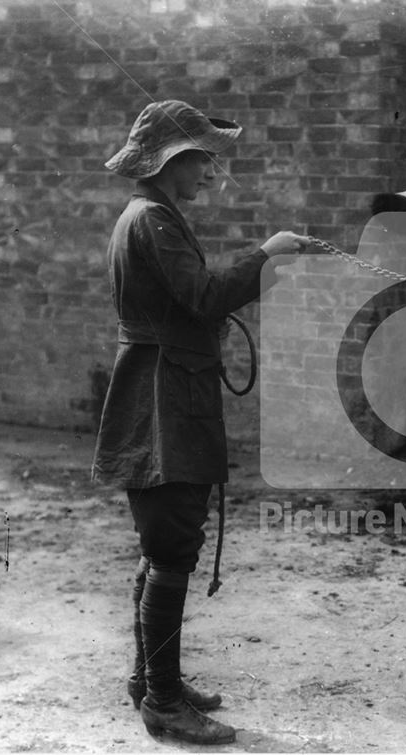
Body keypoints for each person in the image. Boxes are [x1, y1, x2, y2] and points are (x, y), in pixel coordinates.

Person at [92, 100, 310, 745]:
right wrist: (267, 254)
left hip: (163, 391)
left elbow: (189, 303)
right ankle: (162, 700)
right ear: (170, 161)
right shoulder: (155, 219)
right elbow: (206, 297)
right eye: (203, 158)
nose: (212, 171)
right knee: (172, 548)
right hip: (163, 400)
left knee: (164, 546)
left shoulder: (151, 216)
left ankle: (152, 679)